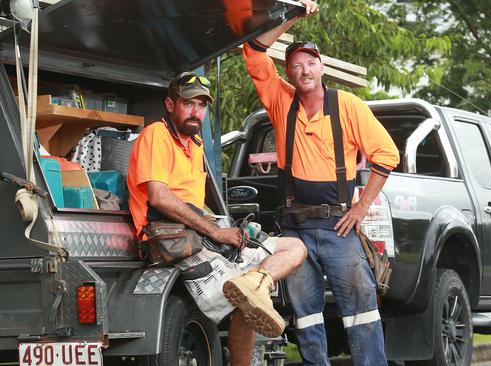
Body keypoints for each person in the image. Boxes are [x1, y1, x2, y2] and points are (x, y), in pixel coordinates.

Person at [242, 1, 400, 365]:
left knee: (361, 312)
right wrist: (293, 14)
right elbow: (253, 51)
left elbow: (386, 156)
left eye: (310, 62)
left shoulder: (347, 105)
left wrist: (361, 208)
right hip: (295, 230)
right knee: (307, 318)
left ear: (322, 67)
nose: (304, 69)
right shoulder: (281, 101)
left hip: (338, 228)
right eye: (296, 64)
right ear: (289, 72)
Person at [126, 71, 307, 366]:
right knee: (245, 304)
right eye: (189, 104)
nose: (196, 112)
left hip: (200, 235)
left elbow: (194, 205)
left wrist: (224, 227)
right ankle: (252, 292)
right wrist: (218, 233)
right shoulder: (155, 135)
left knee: (295, 248)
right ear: (170, 105)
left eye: (202, 105)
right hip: (169, 240)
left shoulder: (195, 144)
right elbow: (159, 197)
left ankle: (256, 283)